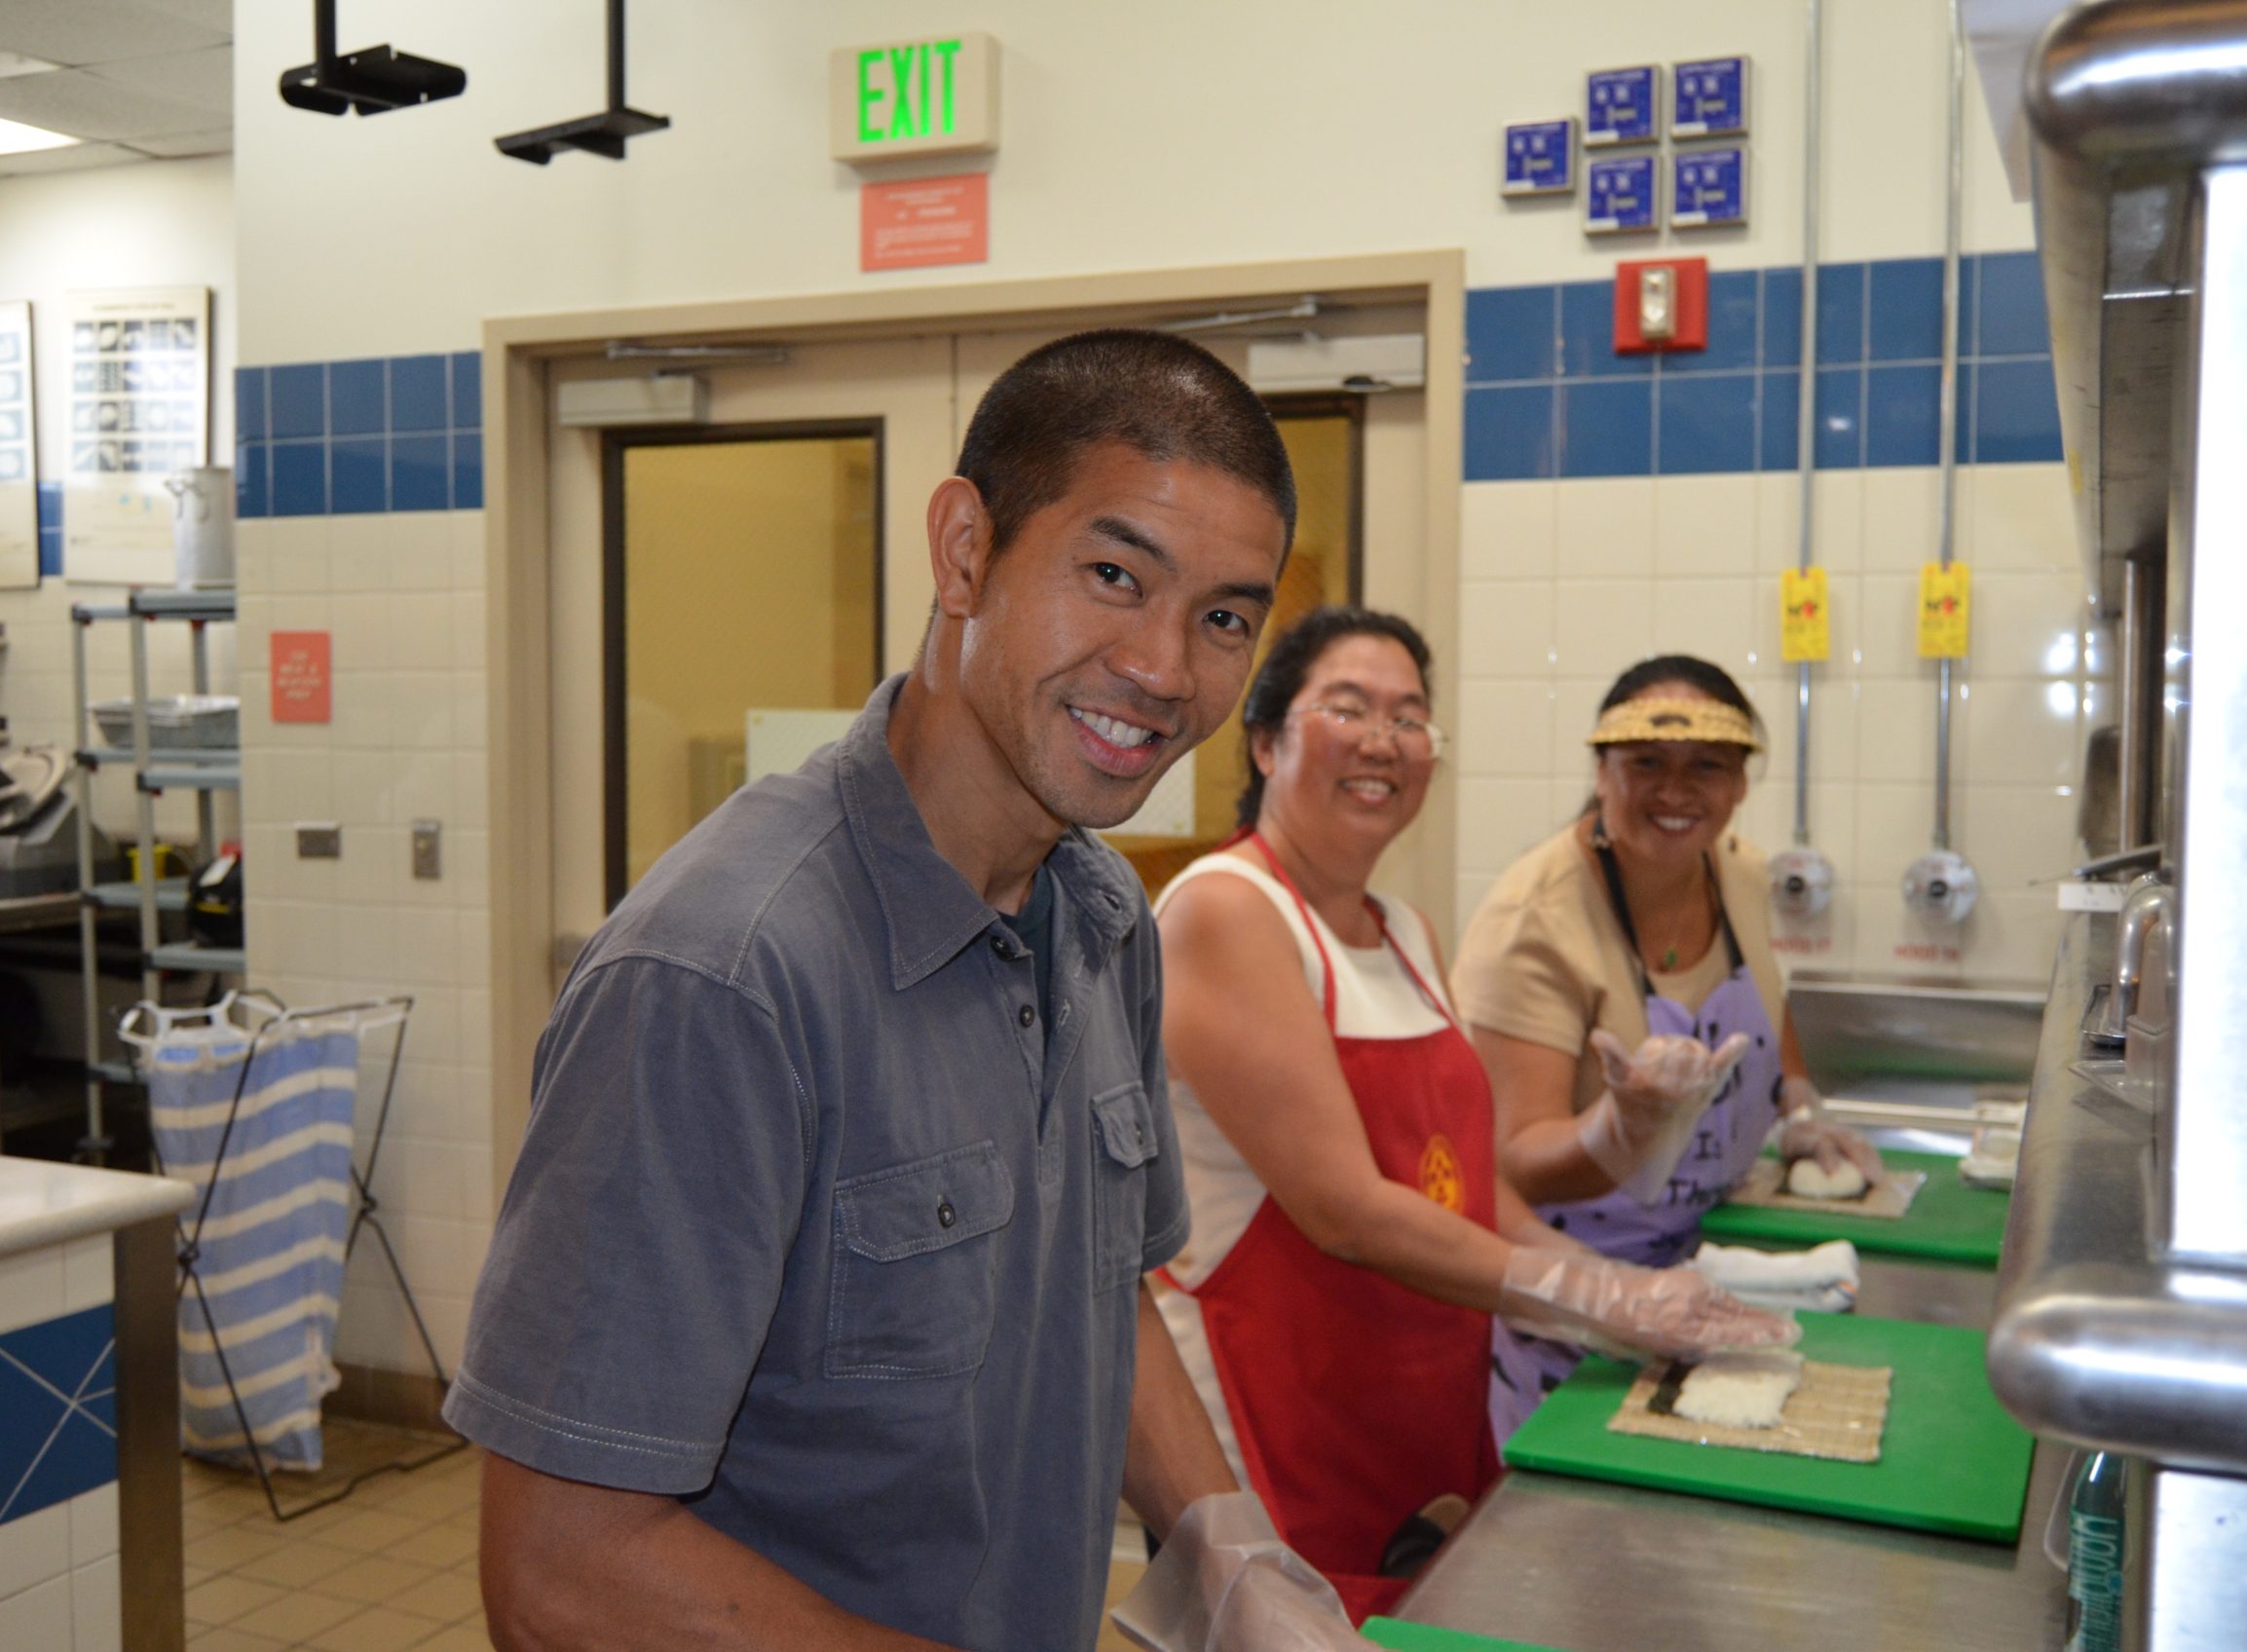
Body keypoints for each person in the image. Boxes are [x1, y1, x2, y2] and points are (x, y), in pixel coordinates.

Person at [447, 330, 1376, 1652]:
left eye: (1224, 617)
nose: (1166, 669)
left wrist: (1224, 1543)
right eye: (1113, 574)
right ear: (963, 550)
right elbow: (559, 1575)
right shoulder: (728, 973)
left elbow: (1095, 1284)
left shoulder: (1102, 920)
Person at [1154, 614, 1796, 1617]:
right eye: (1350, 708)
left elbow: (1462, 1185)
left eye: (1410, 717)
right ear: (1268, 739)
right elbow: (1347, 1212)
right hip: (1275, 1410)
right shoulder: (1226, 911)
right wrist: (1581, 1295)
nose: (1383, 740)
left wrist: (1610, 1278)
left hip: (1415, 1402)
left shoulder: (1403, 932)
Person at [1451, 656, 1885, 1439]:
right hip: (1578, 1302)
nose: (1676, 792)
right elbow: (1510, 1161)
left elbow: (1764, 997)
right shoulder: (1535, 921)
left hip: (1706, 1259)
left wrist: (1800, 1105)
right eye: (1646, 763)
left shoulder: (1738, 873)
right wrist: (1628, 1125)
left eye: (1707, 767)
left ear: (1743, 783)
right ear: (1601, 770)